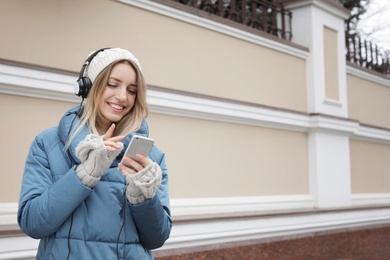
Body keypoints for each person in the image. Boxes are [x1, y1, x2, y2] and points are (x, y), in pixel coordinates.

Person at [17, 47, 172, 259]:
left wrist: (143, 197)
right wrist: (85, 173)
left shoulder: (151, 158)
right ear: (87, 87)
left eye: (132, 90)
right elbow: (32, 223)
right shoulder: (47, 144)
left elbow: (157, 238)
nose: (122, 97)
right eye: (112, 84)